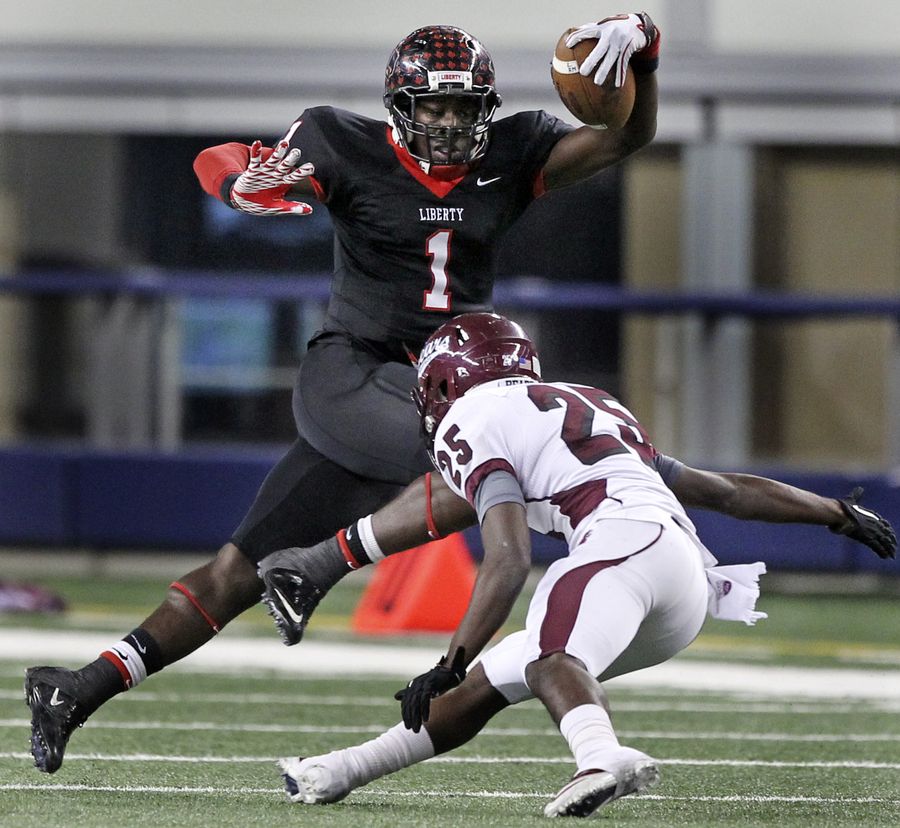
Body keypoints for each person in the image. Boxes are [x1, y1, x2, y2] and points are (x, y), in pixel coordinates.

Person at [24, 15, 664, 774]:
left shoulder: (514, 151)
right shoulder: (340, 140)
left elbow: (624, 138)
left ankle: (76, 689)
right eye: (435, 107)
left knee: (233, 573)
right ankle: (313, 570)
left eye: (465, 109)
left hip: (442, 388)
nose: (452, 124)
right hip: (354, 374)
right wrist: (240, 184)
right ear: (401, 105)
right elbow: (219, 156)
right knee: (492, 465)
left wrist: (646, 63)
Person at [265, 312, 896, 818]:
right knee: (495, 679)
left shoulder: (471, 418)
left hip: (618, 549)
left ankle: (600, 759)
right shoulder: (586, 400)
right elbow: (722, 491)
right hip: (680, 580)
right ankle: (340, 770)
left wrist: (447, 659)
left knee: (544, 659)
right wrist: (835, 513)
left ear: (445, 384)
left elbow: (508, 560)